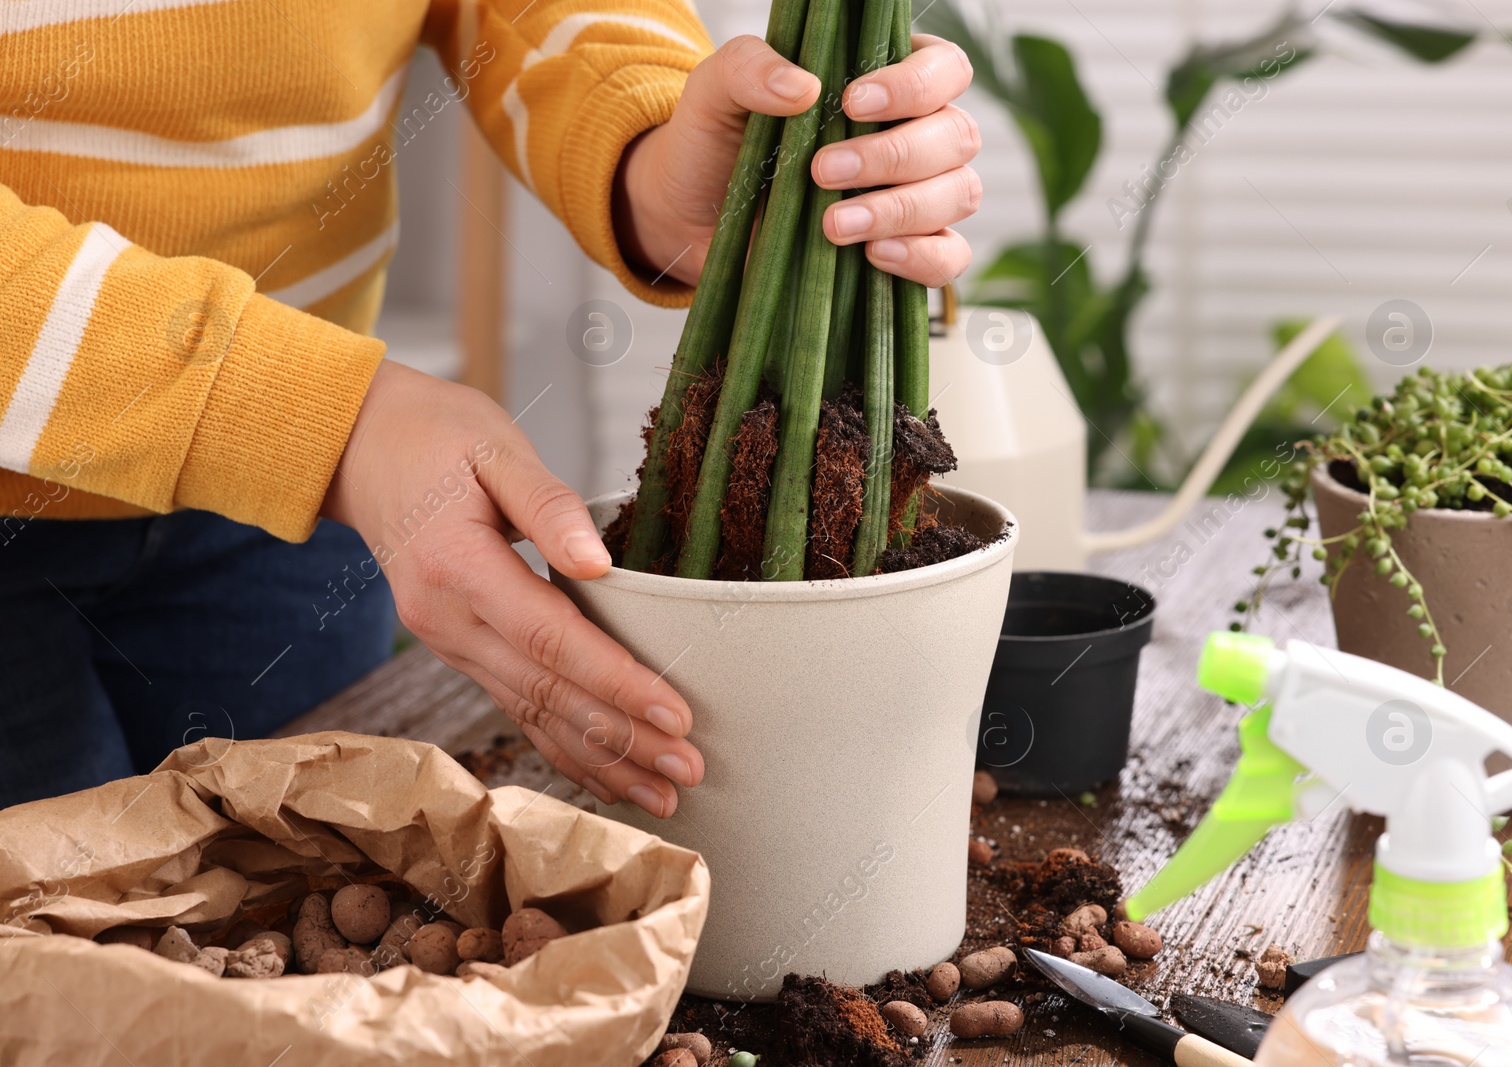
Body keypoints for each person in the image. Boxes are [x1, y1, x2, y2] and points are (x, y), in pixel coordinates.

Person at [0, 0, 982, 815]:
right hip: (293, 444)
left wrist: (647, 145)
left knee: (272, 946)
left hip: (291, 515)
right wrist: (325, 418)